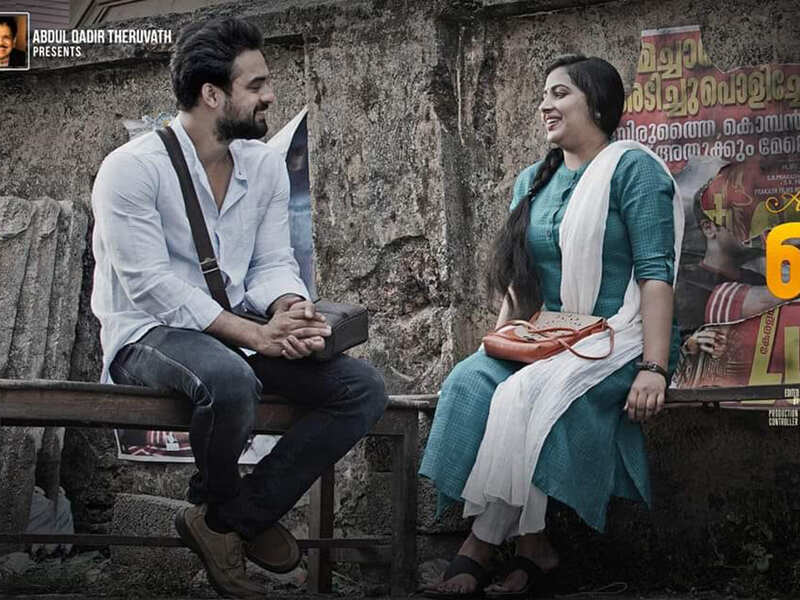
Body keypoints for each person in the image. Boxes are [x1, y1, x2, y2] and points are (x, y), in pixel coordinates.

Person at [90, 17, 387, 599]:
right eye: (256, 85)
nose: (270, 95)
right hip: (147, 333)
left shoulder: (262, 163)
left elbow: (271, 261)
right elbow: (150, 286)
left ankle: (228, 520)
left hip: (233, 331)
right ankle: (228, 511)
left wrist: (290, 309)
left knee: (361, 388)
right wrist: (256, 336)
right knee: (230, 381)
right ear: (212, 94)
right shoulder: (131, 169)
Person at [419, 55, 683, 598]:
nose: (545, 105)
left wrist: (654, 368)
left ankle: (481, 546)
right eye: (544, 94)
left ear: (598, 104)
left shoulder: (634, 171)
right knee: (471, 382)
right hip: (546, 336)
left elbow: (656, 274)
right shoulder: (532, 180)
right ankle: (536, 548)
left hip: (620, 339)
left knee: (528, 394)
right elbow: (522, 282)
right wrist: (500, 345)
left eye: (560, 93)